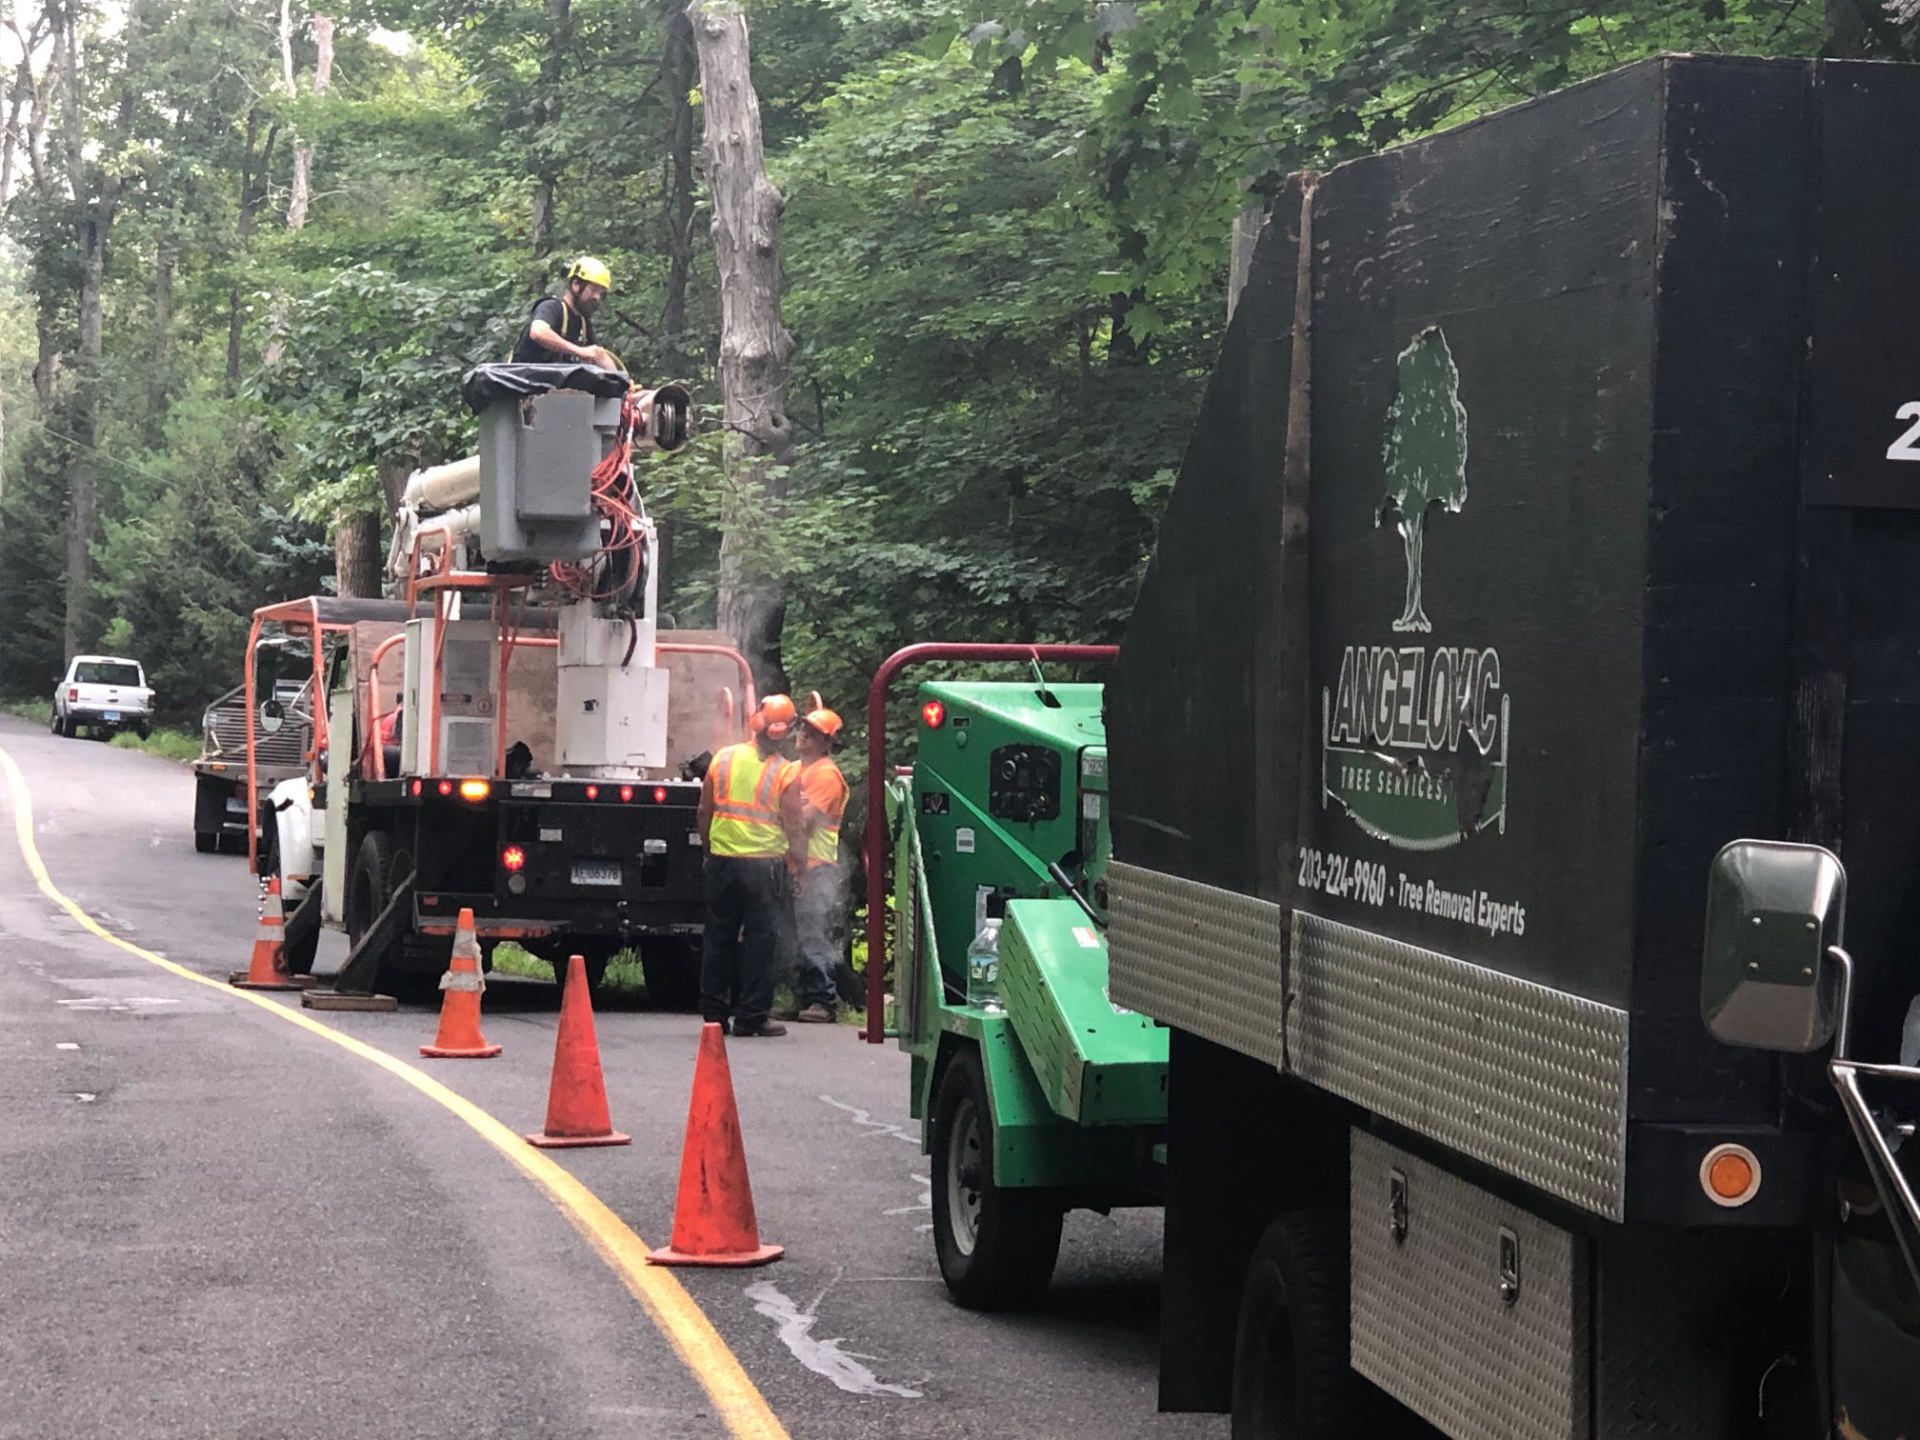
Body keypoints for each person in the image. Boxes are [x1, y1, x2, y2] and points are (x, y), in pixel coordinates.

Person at [697, 694, 798, 1037]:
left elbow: (703, 811)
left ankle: (713, 1014)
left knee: (718, 937)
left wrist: (710, 851)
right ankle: (751, 1016)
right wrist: (796, 861)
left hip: (723, 862)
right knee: (759, 942)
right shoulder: (784, 772)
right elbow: (794, 822)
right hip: (763, 867)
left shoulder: (722, 759)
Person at [779, 707, 850, 1023]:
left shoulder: (826, 774)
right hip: (794, 863)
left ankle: (823, 999)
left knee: (812, 933)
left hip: (816, 866)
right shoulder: (794, 769)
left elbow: (804, 820)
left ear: (827, 742)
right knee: (793, 935)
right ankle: (803, 998)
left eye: (812, 733)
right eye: (802, 729)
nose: (802, 735)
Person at [510, 256, 624, 370]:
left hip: (552, 384)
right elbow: (538, 332)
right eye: (593, 290)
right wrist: (579, 351)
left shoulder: (583, 324)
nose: (597, 297)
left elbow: (599, 355)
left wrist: (623, 382)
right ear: (576, 284)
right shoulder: (552, 307)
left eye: (601, 293)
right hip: (524, 382)